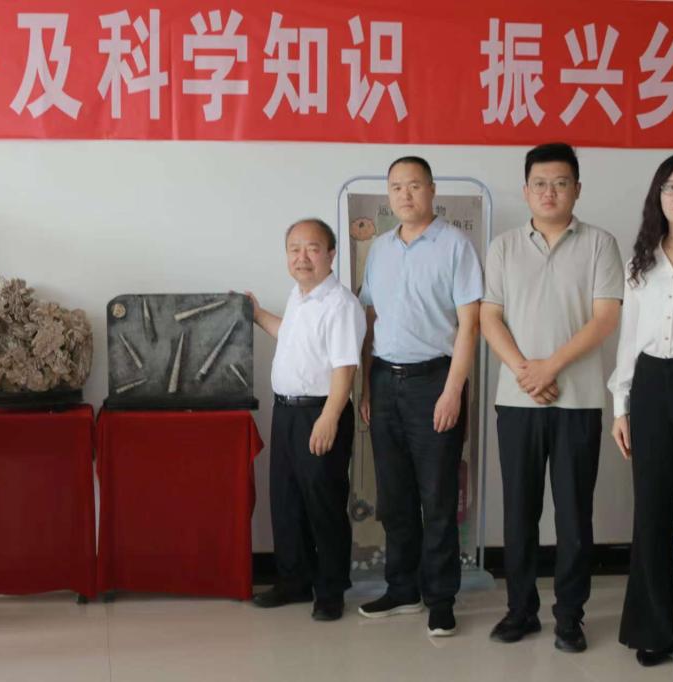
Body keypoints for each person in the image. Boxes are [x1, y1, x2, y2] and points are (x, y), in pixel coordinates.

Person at [481, 142, 622, 653]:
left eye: (560, 183)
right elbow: (489, 317)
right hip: (517, 400)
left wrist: (550, 367)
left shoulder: (600, 244)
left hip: (577, 400)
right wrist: (526, 371)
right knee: (519, 512)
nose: (549, 192)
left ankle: (569, 617)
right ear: (526, 191)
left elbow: (606, 318)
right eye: (540, 183)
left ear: (576, 189)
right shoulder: (503, 247)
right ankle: (520, 611)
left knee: (573, 515)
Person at [356, 156, 483, 638]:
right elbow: (370, 321)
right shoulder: (380, 249)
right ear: (388, 195)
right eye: (396, 187)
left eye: (414, 185)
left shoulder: (455, 246)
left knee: (437, 496)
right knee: (394, 496)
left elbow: (470, 325)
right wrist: (367, 386)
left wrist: (453, 390)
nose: (405, 195)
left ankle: (441, 598)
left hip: (435, 380)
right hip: (385, 381)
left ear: (431, 190)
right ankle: (402, 588)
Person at [609, 153, 673, 677]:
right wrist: (621, 404)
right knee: (651, 508)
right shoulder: (642, 259)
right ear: (659, 195)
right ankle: (651, 631)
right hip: (649, 384)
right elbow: (629, 339)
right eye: (672, 186)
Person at [248, 218, 366, 621]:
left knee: (323, 504)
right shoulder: (299, 296)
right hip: (286, 412)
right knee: (287, 500)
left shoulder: (340, 305)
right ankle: (293, 581)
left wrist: (330, 417)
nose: (302, 257)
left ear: (331, 254)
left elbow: (345, 367)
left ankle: (330, 591)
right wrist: (257, 314)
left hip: (320, 412)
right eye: (294, 249)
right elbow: (289, 335)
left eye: (312, 248)